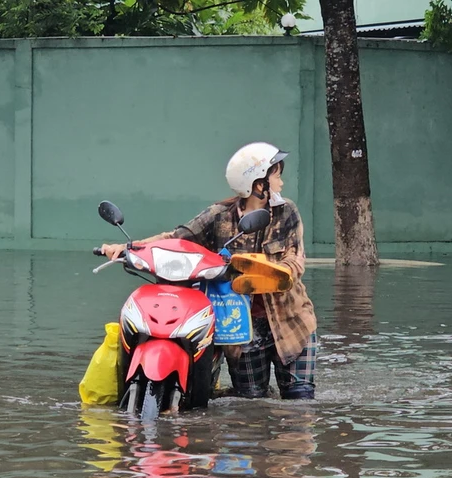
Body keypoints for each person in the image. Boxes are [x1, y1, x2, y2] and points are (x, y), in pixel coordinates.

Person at [99, 142, 317, 400]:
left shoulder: (287, 212)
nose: (281, 182)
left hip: (291, 322)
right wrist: (128, 248)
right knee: (250, 406)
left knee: (300, 402)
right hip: (242, 329)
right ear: (259, 184)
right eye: (276, 175)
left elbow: (295, 259)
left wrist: (273, 271)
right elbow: (177, 238)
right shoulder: (219, 215)